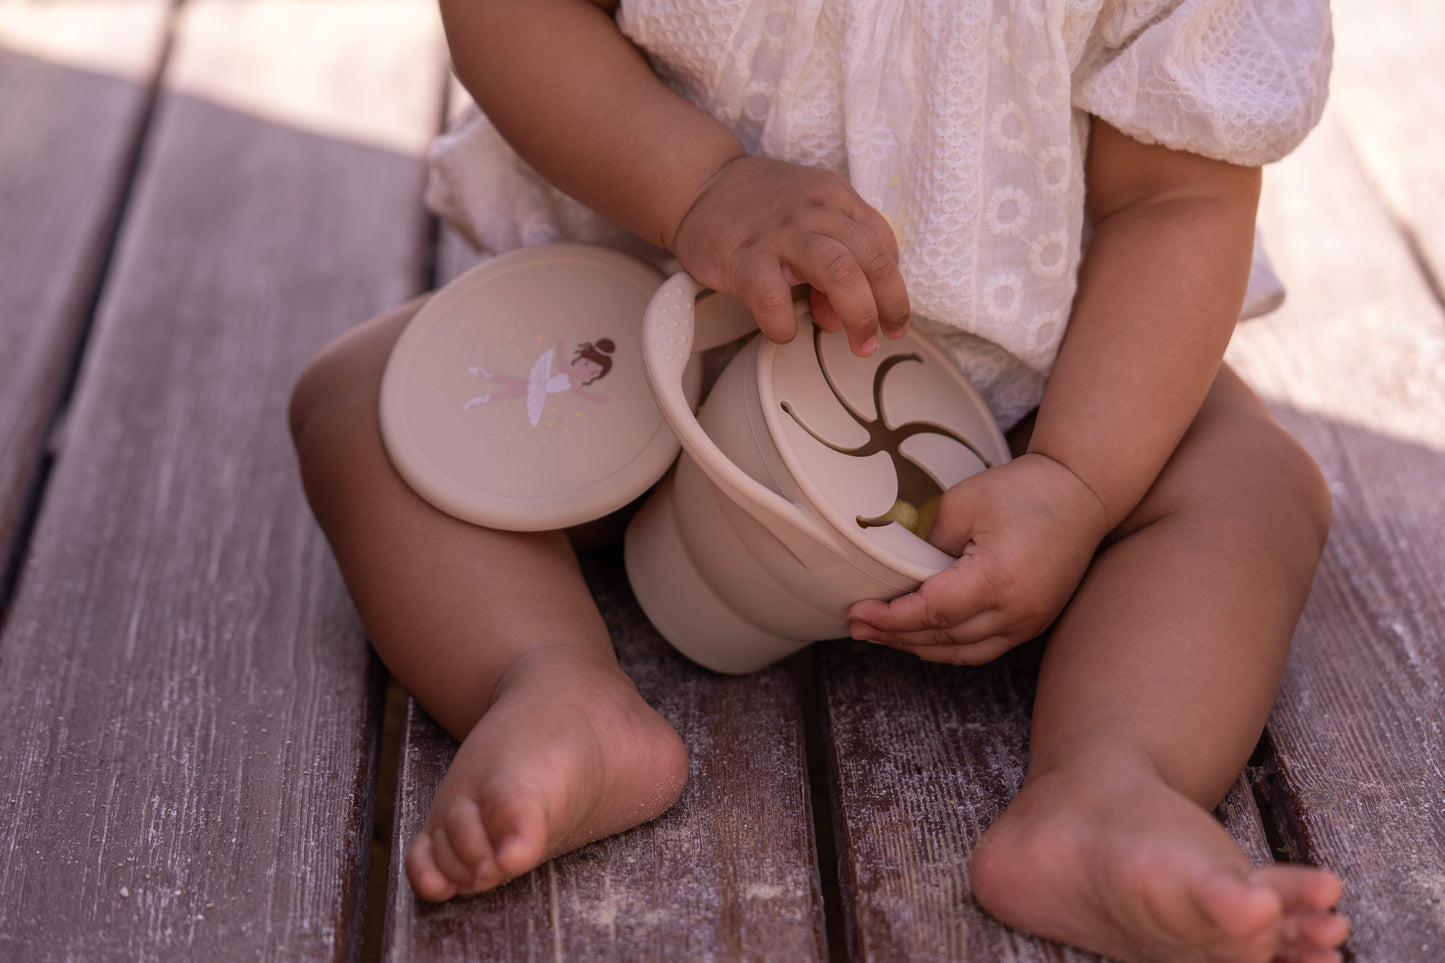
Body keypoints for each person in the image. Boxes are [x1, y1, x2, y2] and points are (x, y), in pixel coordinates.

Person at [287, 0, 1349, 959]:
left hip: (1027, 406)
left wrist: (1078, 476)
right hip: (639, 344)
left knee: (1249, 488)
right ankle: (549, 681)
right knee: (366, 403)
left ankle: (1110, 782)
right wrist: (700, 183)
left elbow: (1173, 192)